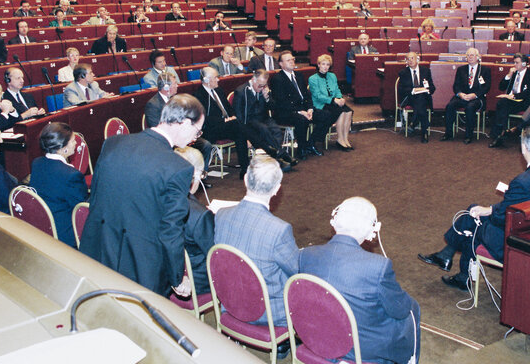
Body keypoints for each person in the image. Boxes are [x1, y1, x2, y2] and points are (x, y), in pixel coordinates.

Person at [80, 94, 204, 296]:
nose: (195, 138)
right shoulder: (178, 167)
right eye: (197, 131)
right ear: (184, 123)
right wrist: (176, 276)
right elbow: (170, 230)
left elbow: (96, 199)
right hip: (141, 266)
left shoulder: (112, 143)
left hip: (98, 250)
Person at [419, 126, 530, 290]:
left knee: (471, 222)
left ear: (524, 147)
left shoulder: (522, 181)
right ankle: (449, 260)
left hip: (513, 238)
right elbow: (519, 204)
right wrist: (489, 209)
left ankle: (452, 262)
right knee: (474, 213)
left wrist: (487, 213)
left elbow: (502, 217)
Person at [300, 197, 420, 364]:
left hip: (316, 336)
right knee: (412, 307)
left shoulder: (305, 254)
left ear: (334, 221)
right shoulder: (378, 266)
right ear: (373, 230)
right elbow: (400, 310)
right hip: (360, 349)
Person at [214, 154, 298, 331]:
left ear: (245, 180)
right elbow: (296, 272)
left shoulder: (221, 215)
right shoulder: (279, 230)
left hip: (230, 301)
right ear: (277, 189)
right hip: (267, 312)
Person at [28, 122, 88, 247]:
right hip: (65, 233)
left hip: (42, 225)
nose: (76, 143)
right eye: (73, 141)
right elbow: (81, 208)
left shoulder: (37, 163)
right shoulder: (71, 175)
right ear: (63, 148)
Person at [232, 69, 297, 170]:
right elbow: (239, 114)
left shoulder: (264, 89)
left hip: (263, 117)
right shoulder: (241, 91)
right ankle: (282, 155)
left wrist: (267, 98)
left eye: (264, 85)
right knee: (264, 129)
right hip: (250, 119)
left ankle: (276, 158)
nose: (262, 87)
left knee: (276, 130)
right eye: (260, 85)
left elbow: (273, 107)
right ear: (253, 79)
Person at [193, 67, 249, 178]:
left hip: (228, 126)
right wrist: (224, 120)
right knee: (240, 127)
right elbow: (203, 118)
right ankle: (248, 164)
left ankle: (245, 168)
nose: (218, 80)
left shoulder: (219, 90)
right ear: (207, 80)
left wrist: (232, 117)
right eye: (215, 78)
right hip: (211, 129)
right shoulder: (199, 95)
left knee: (239, 130)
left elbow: (229, 108)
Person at [271, 51, 329, 158]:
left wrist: (310, 108)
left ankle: (311, 143)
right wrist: (300, 111)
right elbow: (281, 102)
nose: (292, 62)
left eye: (292, 59)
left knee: (325, 115)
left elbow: (306, 95)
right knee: (302, 119)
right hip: (286, 112)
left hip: (303, 108)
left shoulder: (299, 75)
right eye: (288, 60)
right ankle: (301, 148)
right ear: (281, 64)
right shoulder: (277, 79)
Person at [175, 146, 215, 295]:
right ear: (196, 175)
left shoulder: (158, 198)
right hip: (196, 277)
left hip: (169, 270)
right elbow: (214, 253)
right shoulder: (200, 215)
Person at [442, 48, 491, 144]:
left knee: (470, 107)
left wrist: (475, 95)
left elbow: (486, 87)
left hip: (477, 98)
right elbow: (456, 85)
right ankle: (448, 133)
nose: (470, 57)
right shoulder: (461, 69)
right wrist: (460, 94)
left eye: (472, 55)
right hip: (462, 96)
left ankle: (468, 135)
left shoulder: (485, 70)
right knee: (450, 106)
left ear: (478, 57)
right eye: (468, 55)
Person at [489, 54, 530, 147]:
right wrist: (508, 75)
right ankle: (501, 134)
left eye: (517, 62)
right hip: (510, 102)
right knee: (501, 105)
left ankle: (499, 134)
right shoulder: (513, 73)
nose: (514, 65)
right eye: (514, 62)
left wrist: (513, 96)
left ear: (524, 63)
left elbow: (529, 93)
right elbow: (501, 87)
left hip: (523, 101)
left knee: (502, 105)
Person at [309, 54, 354, 151]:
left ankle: (345, 139)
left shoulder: (332, 76)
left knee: (348, 112)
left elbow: (337, 89)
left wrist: (340, 98)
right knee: (340, 112)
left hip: (334, 102)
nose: (325, 67)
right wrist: (333, 100)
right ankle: (340, 139)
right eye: (323, 64)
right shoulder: (312, 79)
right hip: (321, 104)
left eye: (328, 65)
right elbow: (318, 96)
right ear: (318, 65)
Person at [397, 52, 435, 143]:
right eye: (408, 59)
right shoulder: (403, 73)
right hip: (410, 98)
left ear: (417, 59)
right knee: (420, 100)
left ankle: (413, 123)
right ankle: (423, 131)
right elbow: (401, 90)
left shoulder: (426, 71)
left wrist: (426, 89)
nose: (410, 61)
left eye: (412, 58)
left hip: (423, 98)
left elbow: (433, 87)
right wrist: (414, 90)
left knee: (420, 98)